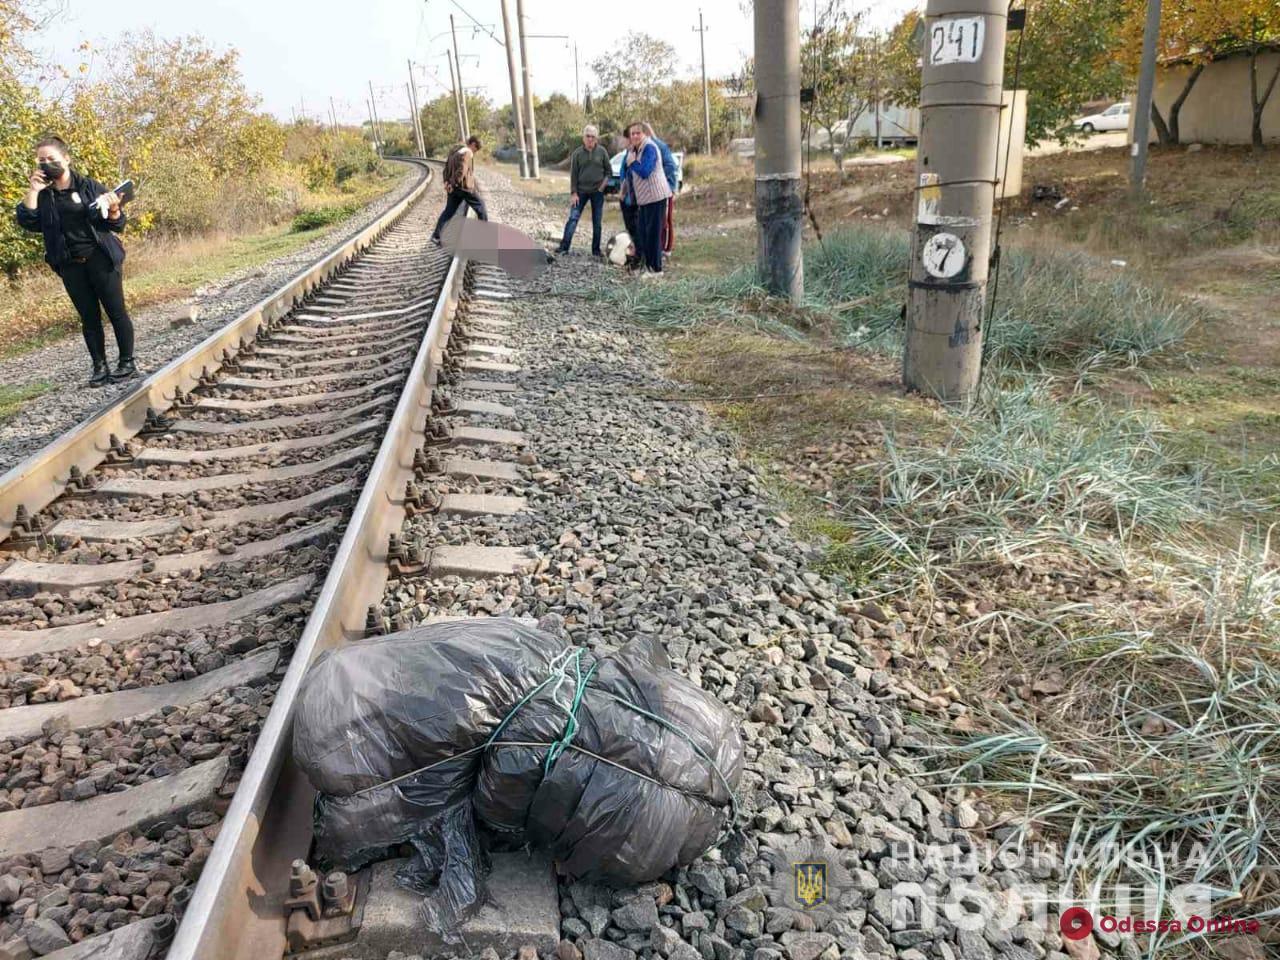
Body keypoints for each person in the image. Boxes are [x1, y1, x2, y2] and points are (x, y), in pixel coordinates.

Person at [15, 135, 135, 386]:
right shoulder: (44, 196)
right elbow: (28, 221)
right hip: (69, 264)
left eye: (52, 159)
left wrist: (114, 209)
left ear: (66, 159)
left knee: (116, 312)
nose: (47, 164)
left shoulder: (89, 186)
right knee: (89, 318)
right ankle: (99, 367)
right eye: (41, 160)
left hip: (100, 259)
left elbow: (117, 224)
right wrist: (33, 191)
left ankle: (127, 362)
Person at [620, 122, 672, 276]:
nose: (635, 136)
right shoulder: (635, 149)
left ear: (644, 134)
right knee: (643, 234)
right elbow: (630, 174)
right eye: (632, 134)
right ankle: (648, 267)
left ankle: (656, 270)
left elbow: (645, 171)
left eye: (638, 133)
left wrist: (633, 162)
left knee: (653, 235)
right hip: (645, 200)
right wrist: (624, 191)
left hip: (656, 197)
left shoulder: (649, 147)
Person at [556, 125, 610, 256]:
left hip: (597, 192)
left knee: (597, 222)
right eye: (588, 136)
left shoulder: (602, 152)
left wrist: (602, 188)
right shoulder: (577, 154)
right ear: (583, 138)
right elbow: (573, 174)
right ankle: (564, 247)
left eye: (593, 136)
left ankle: (596, 251)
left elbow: (609, 172)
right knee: (573, 218)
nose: (590, 139)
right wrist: (573, 193)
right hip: (580, 192)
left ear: (596, 138)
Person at [431, 136, 488, 247]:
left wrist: (447, 183)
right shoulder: (467, 153)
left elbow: (446, 169)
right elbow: (461, 171)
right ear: (471, 144)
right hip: (464, 188)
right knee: (481, 206)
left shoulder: (454, 152)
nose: (475, 151)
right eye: (476, 147)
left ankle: (436, 236)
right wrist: (453, 183)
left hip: (454, 188)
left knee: (448, 212)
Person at [641, 122, 678, 254]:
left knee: (665, 220)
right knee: (657, 219)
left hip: (667, 187)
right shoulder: (646, 147)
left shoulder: (658, 146)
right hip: (656, 190)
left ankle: (666, 249)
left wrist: (661, 179)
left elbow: (671, 166)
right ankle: (658, 246)